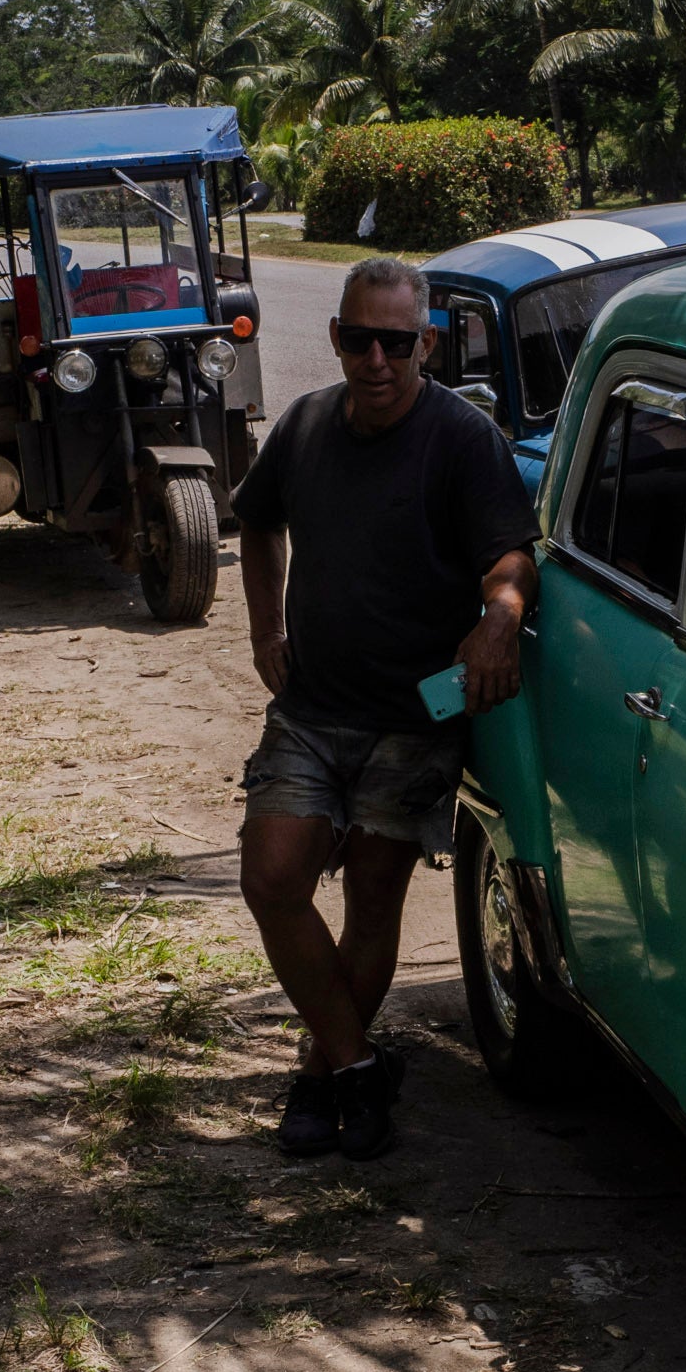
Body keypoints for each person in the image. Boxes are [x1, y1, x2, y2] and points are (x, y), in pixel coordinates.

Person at [231, 255, 537, 1159]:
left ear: (426, 344)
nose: (376, 359)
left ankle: (323, 1079)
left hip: (413, 717)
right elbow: (257, 522)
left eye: (395, 343)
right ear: (334, 337)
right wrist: (262, 632)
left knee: (373, 893)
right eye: (359, 339)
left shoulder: (460, 437)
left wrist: (499, 622)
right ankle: (357, 1065)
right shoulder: (307, 423)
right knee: (271, 877)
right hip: (313, 706)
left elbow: (512, 557)